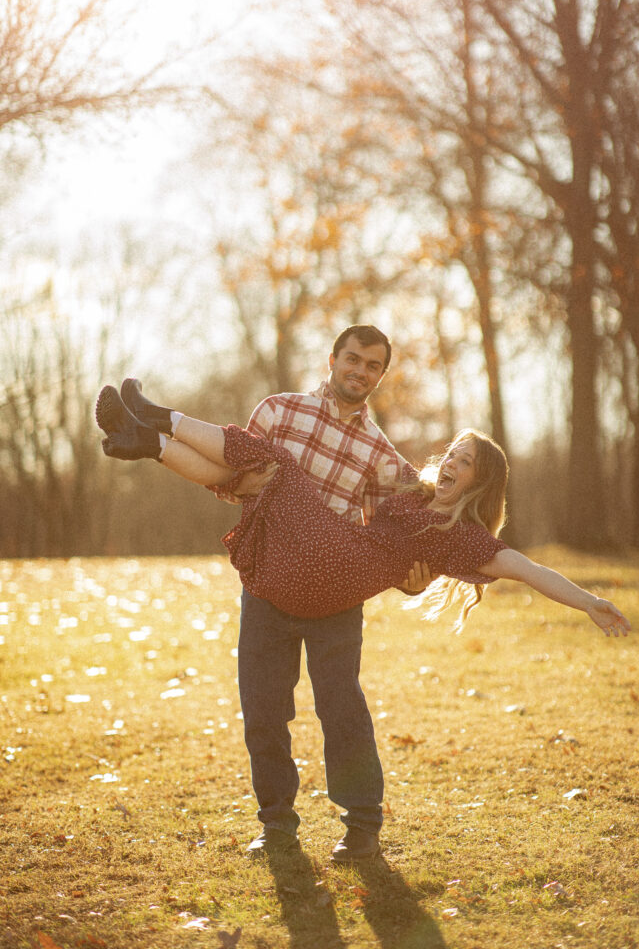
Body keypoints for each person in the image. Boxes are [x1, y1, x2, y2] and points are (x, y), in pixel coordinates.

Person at [96, 368, 631, 857]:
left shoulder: (464, 539)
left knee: (273, 465)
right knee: (257, 472)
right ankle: (152, 438)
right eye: (453, 453)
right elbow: (369, 467)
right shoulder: (409, 488)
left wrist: (588, 602)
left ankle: (158, 426)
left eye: (466, 462)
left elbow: (530, 569)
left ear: (481, 483)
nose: (452, 463)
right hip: (321, 566)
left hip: (337, 574)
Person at [98, 326, 437, 864]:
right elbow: (231, 473)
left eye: (373, 365)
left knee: (341, 709)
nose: (360, 371)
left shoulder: (382, 455)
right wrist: (250, 483)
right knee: (263, 711)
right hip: (268, 583)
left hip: (334, 598)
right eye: (353, 358)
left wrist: (415, 580)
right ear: (332, 359)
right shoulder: (279, 411)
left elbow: (398, 531)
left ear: (380, 376)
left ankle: (362, 829)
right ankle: (277, 825)